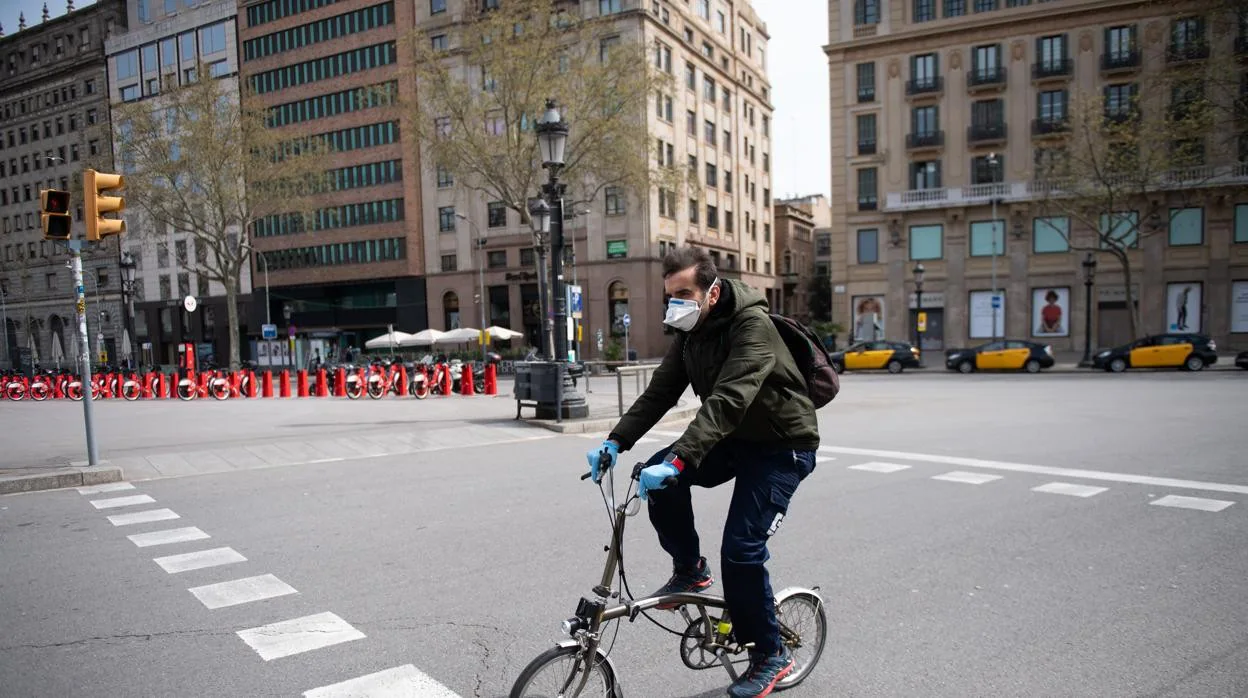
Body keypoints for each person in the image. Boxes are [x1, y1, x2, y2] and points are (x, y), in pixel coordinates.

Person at [586, 246, 820, 698]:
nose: (676, 303)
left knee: (741, 548)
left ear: (712, 292)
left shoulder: (753, 327)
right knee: (656, 471)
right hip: (735, 440)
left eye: (684, 293)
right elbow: (659, 393)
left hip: (781, 448)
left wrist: (682, 457)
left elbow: (729, 399)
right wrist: (616, 440)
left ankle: (771, 653)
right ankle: (690, 570)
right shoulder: (690, 335)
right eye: (670, 295)